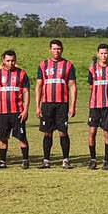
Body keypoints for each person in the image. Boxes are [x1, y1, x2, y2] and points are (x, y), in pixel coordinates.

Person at [36, 39, 77, 168]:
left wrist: (72, 106)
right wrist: (37, 106)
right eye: (54, 49)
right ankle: (46, 160)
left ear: (62, 49)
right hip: (47, 104)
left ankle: (65, 160)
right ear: (50, 50)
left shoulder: (68, 65)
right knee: (47, 132)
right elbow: (38, 86)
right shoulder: (43, 65)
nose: (56, 51)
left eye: (58, 49)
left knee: (62, 132)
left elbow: (72, 86)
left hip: (62, 104)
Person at [0, 49, 31, 169]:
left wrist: (26, 109)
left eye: (13, 61)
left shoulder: (22, 74)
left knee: (22, 137)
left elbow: (26, 92)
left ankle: (25, 160)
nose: (11, 63)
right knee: (3, 137)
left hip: (17, 112)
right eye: (8, 60)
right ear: (3, 60)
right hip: (3, 112)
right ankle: (2, 162)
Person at [87, 43, 108, 170]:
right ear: (98, 54)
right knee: (92, 132)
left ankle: (106, 161)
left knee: (106, 132)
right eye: (101, 53)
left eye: (106, 53)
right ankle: (93, 160)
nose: (104, 55)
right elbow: (91, 85)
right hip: (94, 105)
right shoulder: (92, 69)